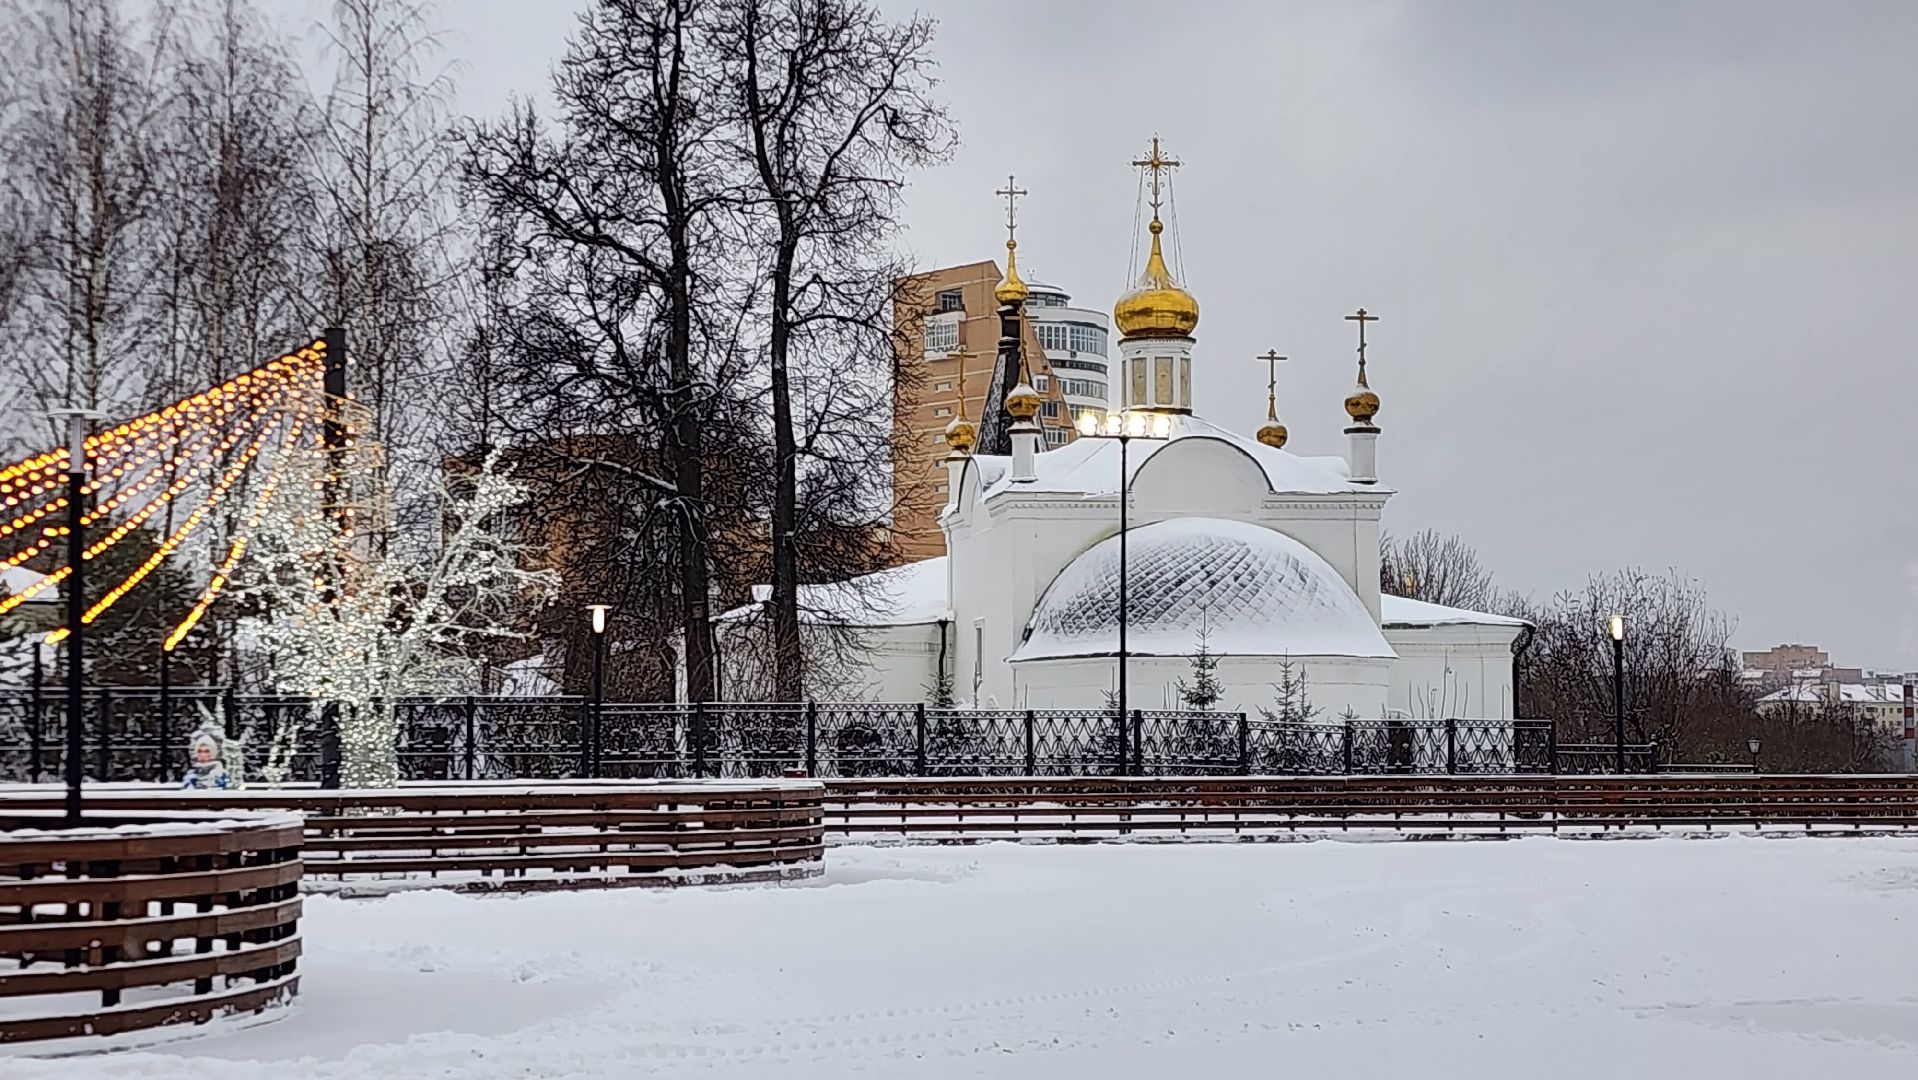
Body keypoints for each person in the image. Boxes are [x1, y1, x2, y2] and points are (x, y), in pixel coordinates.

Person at [181, 722, 231, 790]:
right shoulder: (190, 777)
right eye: (200, 751)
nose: (203, 755)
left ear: (213, 753)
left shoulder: (222, 776)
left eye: (207, 751)